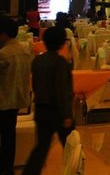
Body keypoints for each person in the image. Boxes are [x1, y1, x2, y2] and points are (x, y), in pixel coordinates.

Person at [23, 26, 74, 175]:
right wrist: (67, 114)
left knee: (41, 148)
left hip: (41, 109)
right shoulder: (61, 63)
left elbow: (35, 85)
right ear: (62, 43)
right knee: (71, 146)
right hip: (57, 111)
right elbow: (61, 90)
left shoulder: (37, 61)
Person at [0, 15, 32, 175]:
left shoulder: (4, 53)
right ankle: (8, 168)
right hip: (16, 100)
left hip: (3, 101)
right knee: (9, 137)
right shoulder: (25, 50)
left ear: (4, 34)